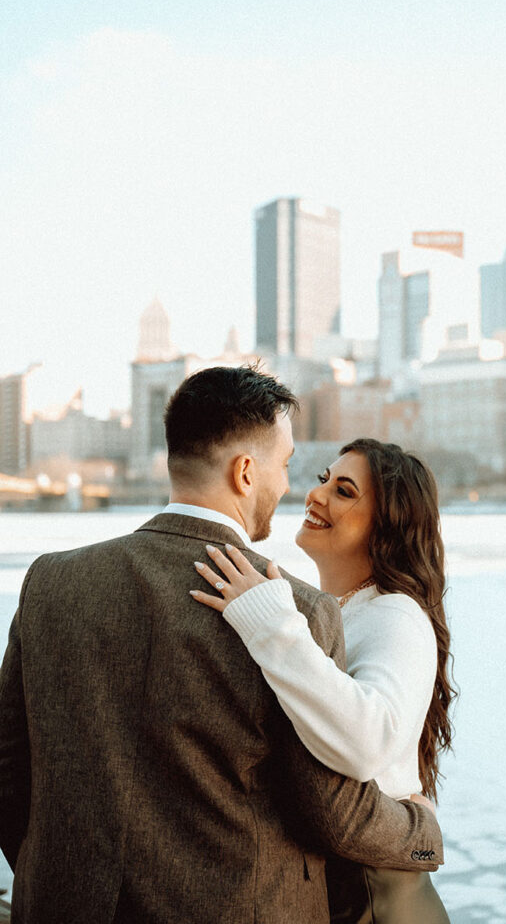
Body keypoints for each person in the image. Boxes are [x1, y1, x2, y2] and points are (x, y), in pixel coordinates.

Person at [0, 366, 443, 924]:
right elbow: (331, 809)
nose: (291, 487)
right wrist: (421, 831)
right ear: (245, 472)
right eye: (285, 467)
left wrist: (55, 873)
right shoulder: (297, 610)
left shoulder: (50, 581)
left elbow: (9, 768)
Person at [191, 437, 455, 923]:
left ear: (388, 525)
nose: (317, 495)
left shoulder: (394, 614)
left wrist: (269, 624)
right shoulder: (339, 610)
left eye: (345, 491)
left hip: (375, 894)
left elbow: (367, 743)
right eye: (323, 480)